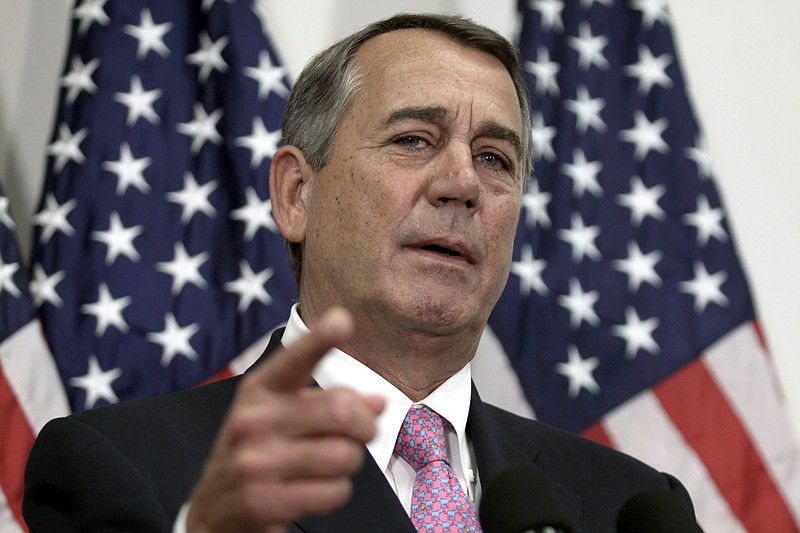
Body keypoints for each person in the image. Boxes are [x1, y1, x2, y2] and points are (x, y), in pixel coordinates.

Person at [23, 12, 699, 533]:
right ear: (296, 193)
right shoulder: (130, 471)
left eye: (495, 158)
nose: (463, 182)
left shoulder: (631, 507)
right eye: (414, 140)